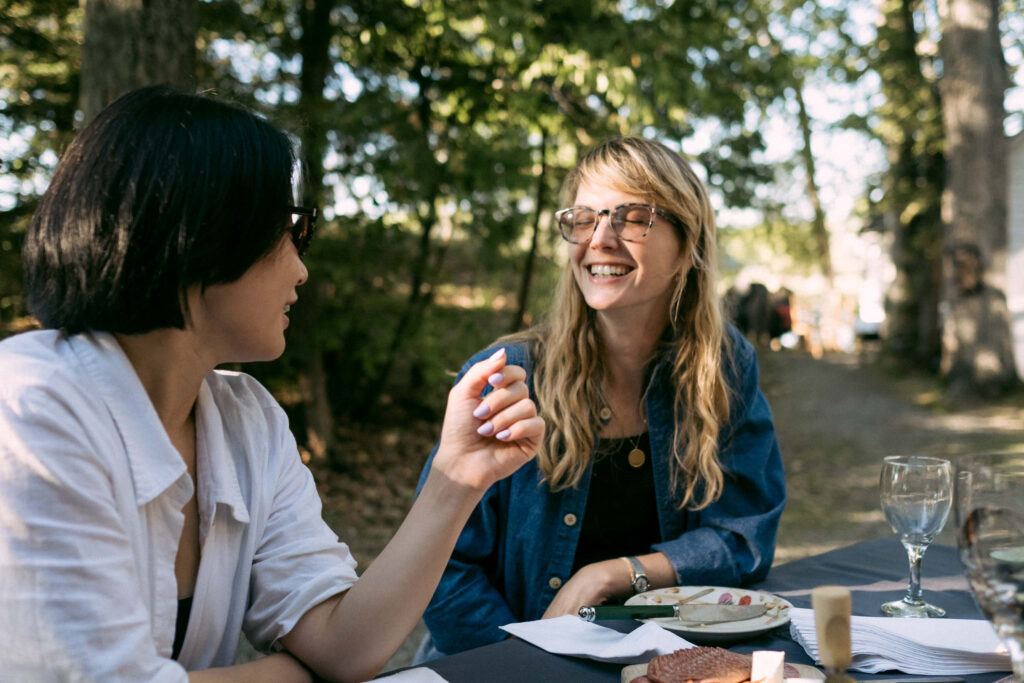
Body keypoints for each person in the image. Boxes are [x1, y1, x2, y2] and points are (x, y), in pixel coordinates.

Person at [0, 86, 543, 682]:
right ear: (201, 233)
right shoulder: (29, 406)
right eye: (293, 228)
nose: (302, 267)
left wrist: (457, 479)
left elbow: (345, 645)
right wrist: (292, 675)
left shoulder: (243, 418)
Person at [415, 136, 785, 660]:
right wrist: (528, 663)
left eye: (632, 217)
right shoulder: (510, 377)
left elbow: (745, 538)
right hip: (498, 667)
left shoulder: (722, 366)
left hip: (654, 663)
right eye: (584, 219)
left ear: (687, 247)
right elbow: (439, 566)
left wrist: (615, 574)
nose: (601, 239)